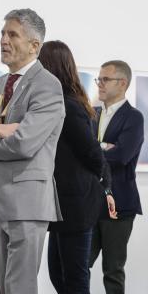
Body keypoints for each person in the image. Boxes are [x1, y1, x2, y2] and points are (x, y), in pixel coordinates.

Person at [0, 9, 64, 294]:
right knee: (5, 287)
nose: (3, 40)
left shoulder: (48, 86)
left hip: (27, 203)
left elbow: (24, 143)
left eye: (12, 34)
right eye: (2, 33)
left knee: (20, 287)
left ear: (34, 45)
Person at [38, 41, 117, 294]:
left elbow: (92, 153)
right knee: (58, 273)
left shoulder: (69, 106)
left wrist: (105, 184)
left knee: (73, 277)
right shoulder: (55, 104)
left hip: (76, 204)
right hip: (61, 205)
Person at [89, 60, 144, 294]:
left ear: (122, 83)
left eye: (105, 79)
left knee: (113, 270)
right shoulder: (93, 114)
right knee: (77, 265)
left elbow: (122, 155)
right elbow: (81, 150)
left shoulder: (134, 117)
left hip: (119, 205)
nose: (99, 84)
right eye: (98, 79)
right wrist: (103, 146)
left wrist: (93, 148)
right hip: (89, 204)